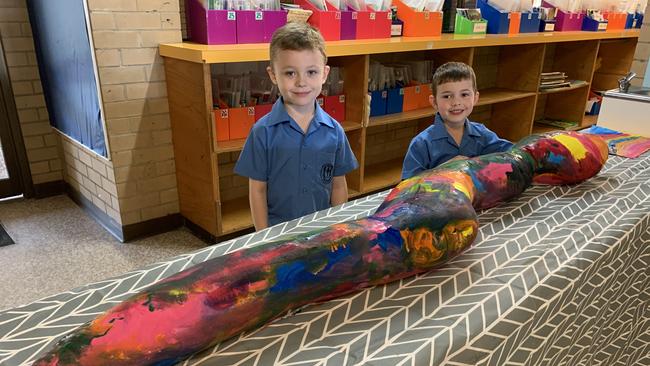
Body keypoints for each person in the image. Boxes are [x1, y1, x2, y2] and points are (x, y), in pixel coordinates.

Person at [234, 22, 358, 231]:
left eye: (311, 72)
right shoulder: (262, 132)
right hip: (278, 234)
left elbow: (338, 184)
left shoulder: (334, 131)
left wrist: (339, 229)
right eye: (290, 73)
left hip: (321, 231)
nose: (301, 82)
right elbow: (257, 191)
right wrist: (263, 238)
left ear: (325, 74)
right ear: (273, 75)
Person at [401, 62, 513, 180]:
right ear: (434, 102)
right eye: (447, 96)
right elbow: (407, 185)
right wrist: (444, 170)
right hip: (437, 197)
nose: (456, 102)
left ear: (475, 98)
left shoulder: (482, 134)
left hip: (476, 196)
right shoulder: (421, 143)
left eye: (464, 94)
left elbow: (514, 154)